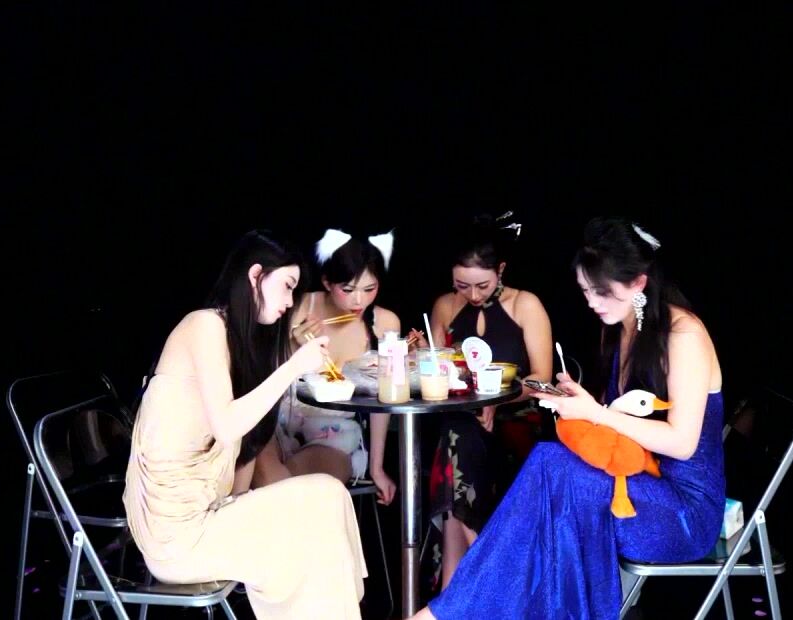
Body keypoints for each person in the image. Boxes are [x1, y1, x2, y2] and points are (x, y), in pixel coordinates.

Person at [411, 217, 726, 619]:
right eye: (585, 291)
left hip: (681, 512)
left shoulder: (684, 336)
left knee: (554, 484)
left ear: (638, 283)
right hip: (634, 482)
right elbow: (617, 421)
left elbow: (681, 443)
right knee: (550, 465)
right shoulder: (619, 327)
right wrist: (576, 401)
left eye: (602, 292)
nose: (593, 302)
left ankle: (446, 613)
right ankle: (456, 610)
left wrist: (595, 412)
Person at [122, 230, 367, 620]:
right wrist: (292, 368)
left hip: (211, 515)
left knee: (329, 493)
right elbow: (227, 425)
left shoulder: (235, 340)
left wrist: (247, 504)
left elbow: (242, 450)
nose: (290, 302)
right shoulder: (204, 325)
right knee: (317, 517)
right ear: (256, 276)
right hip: (177, 537)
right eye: (287, 286)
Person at [424, 211, 554, 592]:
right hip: (462, 419)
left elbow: (543, 379)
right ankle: (492, 583)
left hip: (517, 420)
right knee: (456, 434)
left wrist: (498, 401)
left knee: (454, 449)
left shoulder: (525, 305)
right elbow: (437, 372)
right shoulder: (445, 307)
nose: (473, 295)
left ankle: (466, 588)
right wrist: (422, 356)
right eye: (462, 285)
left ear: (501, 270)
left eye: (482, 285)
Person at [255, 228, 419, 504]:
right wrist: (293, 348)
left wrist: (377, 467)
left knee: (296, 489)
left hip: (334, 433)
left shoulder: (385, 323)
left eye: (370, 289)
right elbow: (263, 376)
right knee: (267, 476)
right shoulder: (297, 306)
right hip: (277, 423)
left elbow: (383, 398)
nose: (359, 301)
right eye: (348, 290)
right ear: (327, 282)